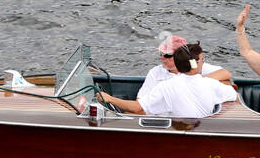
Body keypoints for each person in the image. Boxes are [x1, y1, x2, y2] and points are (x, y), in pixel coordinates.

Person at [100, 46, 236, 117]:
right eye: (202, 60)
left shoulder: (166, 86)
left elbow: (138, 108)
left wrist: (110, 99)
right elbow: (234, 94)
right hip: (201, 134)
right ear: (194, 64)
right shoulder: (211, 84)